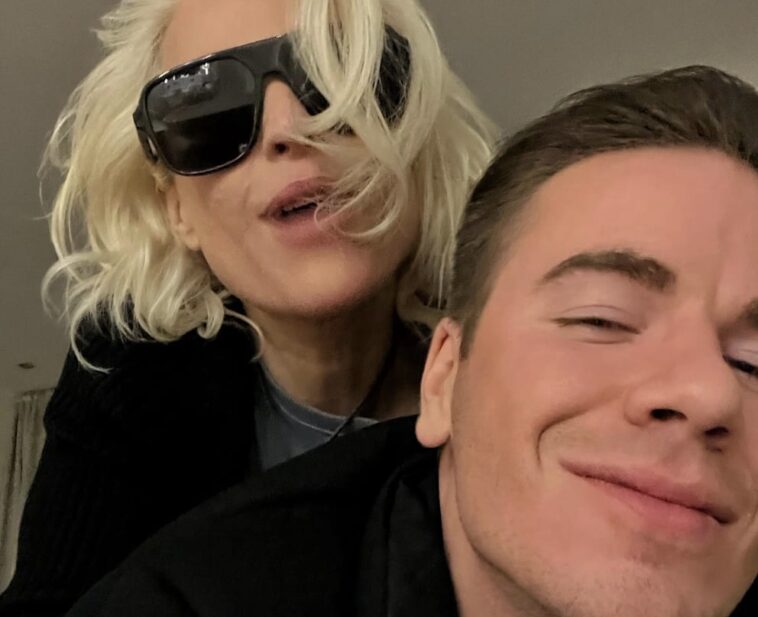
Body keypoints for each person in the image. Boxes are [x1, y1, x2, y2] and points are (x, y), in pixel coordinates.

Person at [63, 65, 757, 617]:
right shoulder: (137, 380)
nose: (708, 391)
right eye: (602, 318)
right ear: (445, 376)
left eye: (754, 362)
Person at [0, 0, 495, 613]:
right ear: (177, 211)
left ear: (418, 148)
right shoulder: (125, 378)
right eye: (204, 107)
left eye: (342, 78)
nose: (290, 128)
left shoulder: (510, 365)